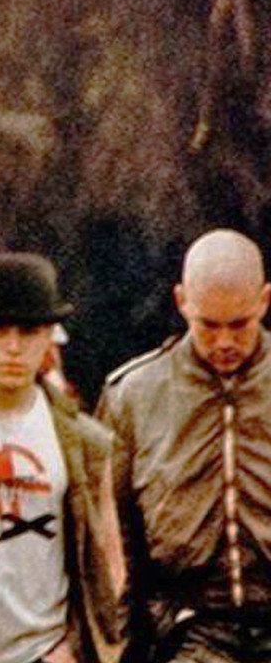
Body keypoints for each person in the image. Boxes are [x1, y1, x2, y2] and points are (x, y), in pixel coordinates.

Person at [0, 252, 127, 663]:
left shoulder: (83, 442)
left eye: (30, 331)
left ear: (49, 336)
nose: (14, 347)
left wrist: (71, 647)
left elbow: (109, 561)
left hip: (45, 651)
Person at [98, 228, 271, 663]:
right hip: (191, 630)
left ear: (264, 301)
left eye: (240, 324)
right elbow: (114, 538)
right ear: (181, 302)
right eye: (208, 325)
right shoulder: (134, 397)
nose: (225, 342)